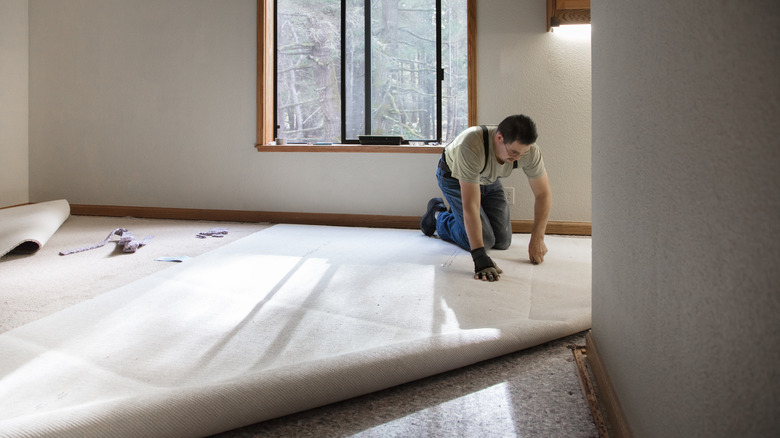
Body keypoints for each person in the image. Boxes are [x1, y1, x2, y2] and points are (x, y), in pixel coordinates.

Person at [420, 114, 552, 282]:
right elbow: (471, 205)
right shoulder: (471, 145)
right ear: (499, 138)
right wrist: (479, 257)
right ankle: (438, 215)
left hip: (489, 179)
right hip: (453, 178)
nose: (518, 158)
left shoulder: (529, 152)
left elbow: (543, 194)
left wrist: (537, 238)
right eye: (514, 153)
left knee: (503, 241)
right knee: (486, 240)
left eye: (523, 154)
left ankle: (458, 217)